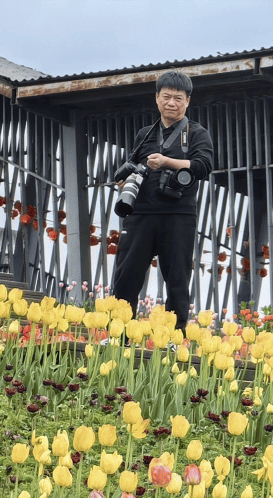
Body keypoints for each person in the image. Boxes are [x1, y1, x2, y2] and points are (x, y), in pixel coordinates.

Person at [111, 70, 215, 332]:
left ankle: (174, 337)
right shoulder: (145, 134)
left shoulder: (196, 133)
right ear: (157, 98)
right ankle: (120, 332)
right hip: (141, 213)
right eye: (166, 97)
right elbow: (135, 165)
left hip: (179, 214)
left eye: (178, 98)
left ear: (188, 101)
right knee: (126, 276)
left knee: (177, 278)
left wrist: (168, 162)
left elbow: (204, 166)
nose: (172, 103)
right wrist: (126, 183)